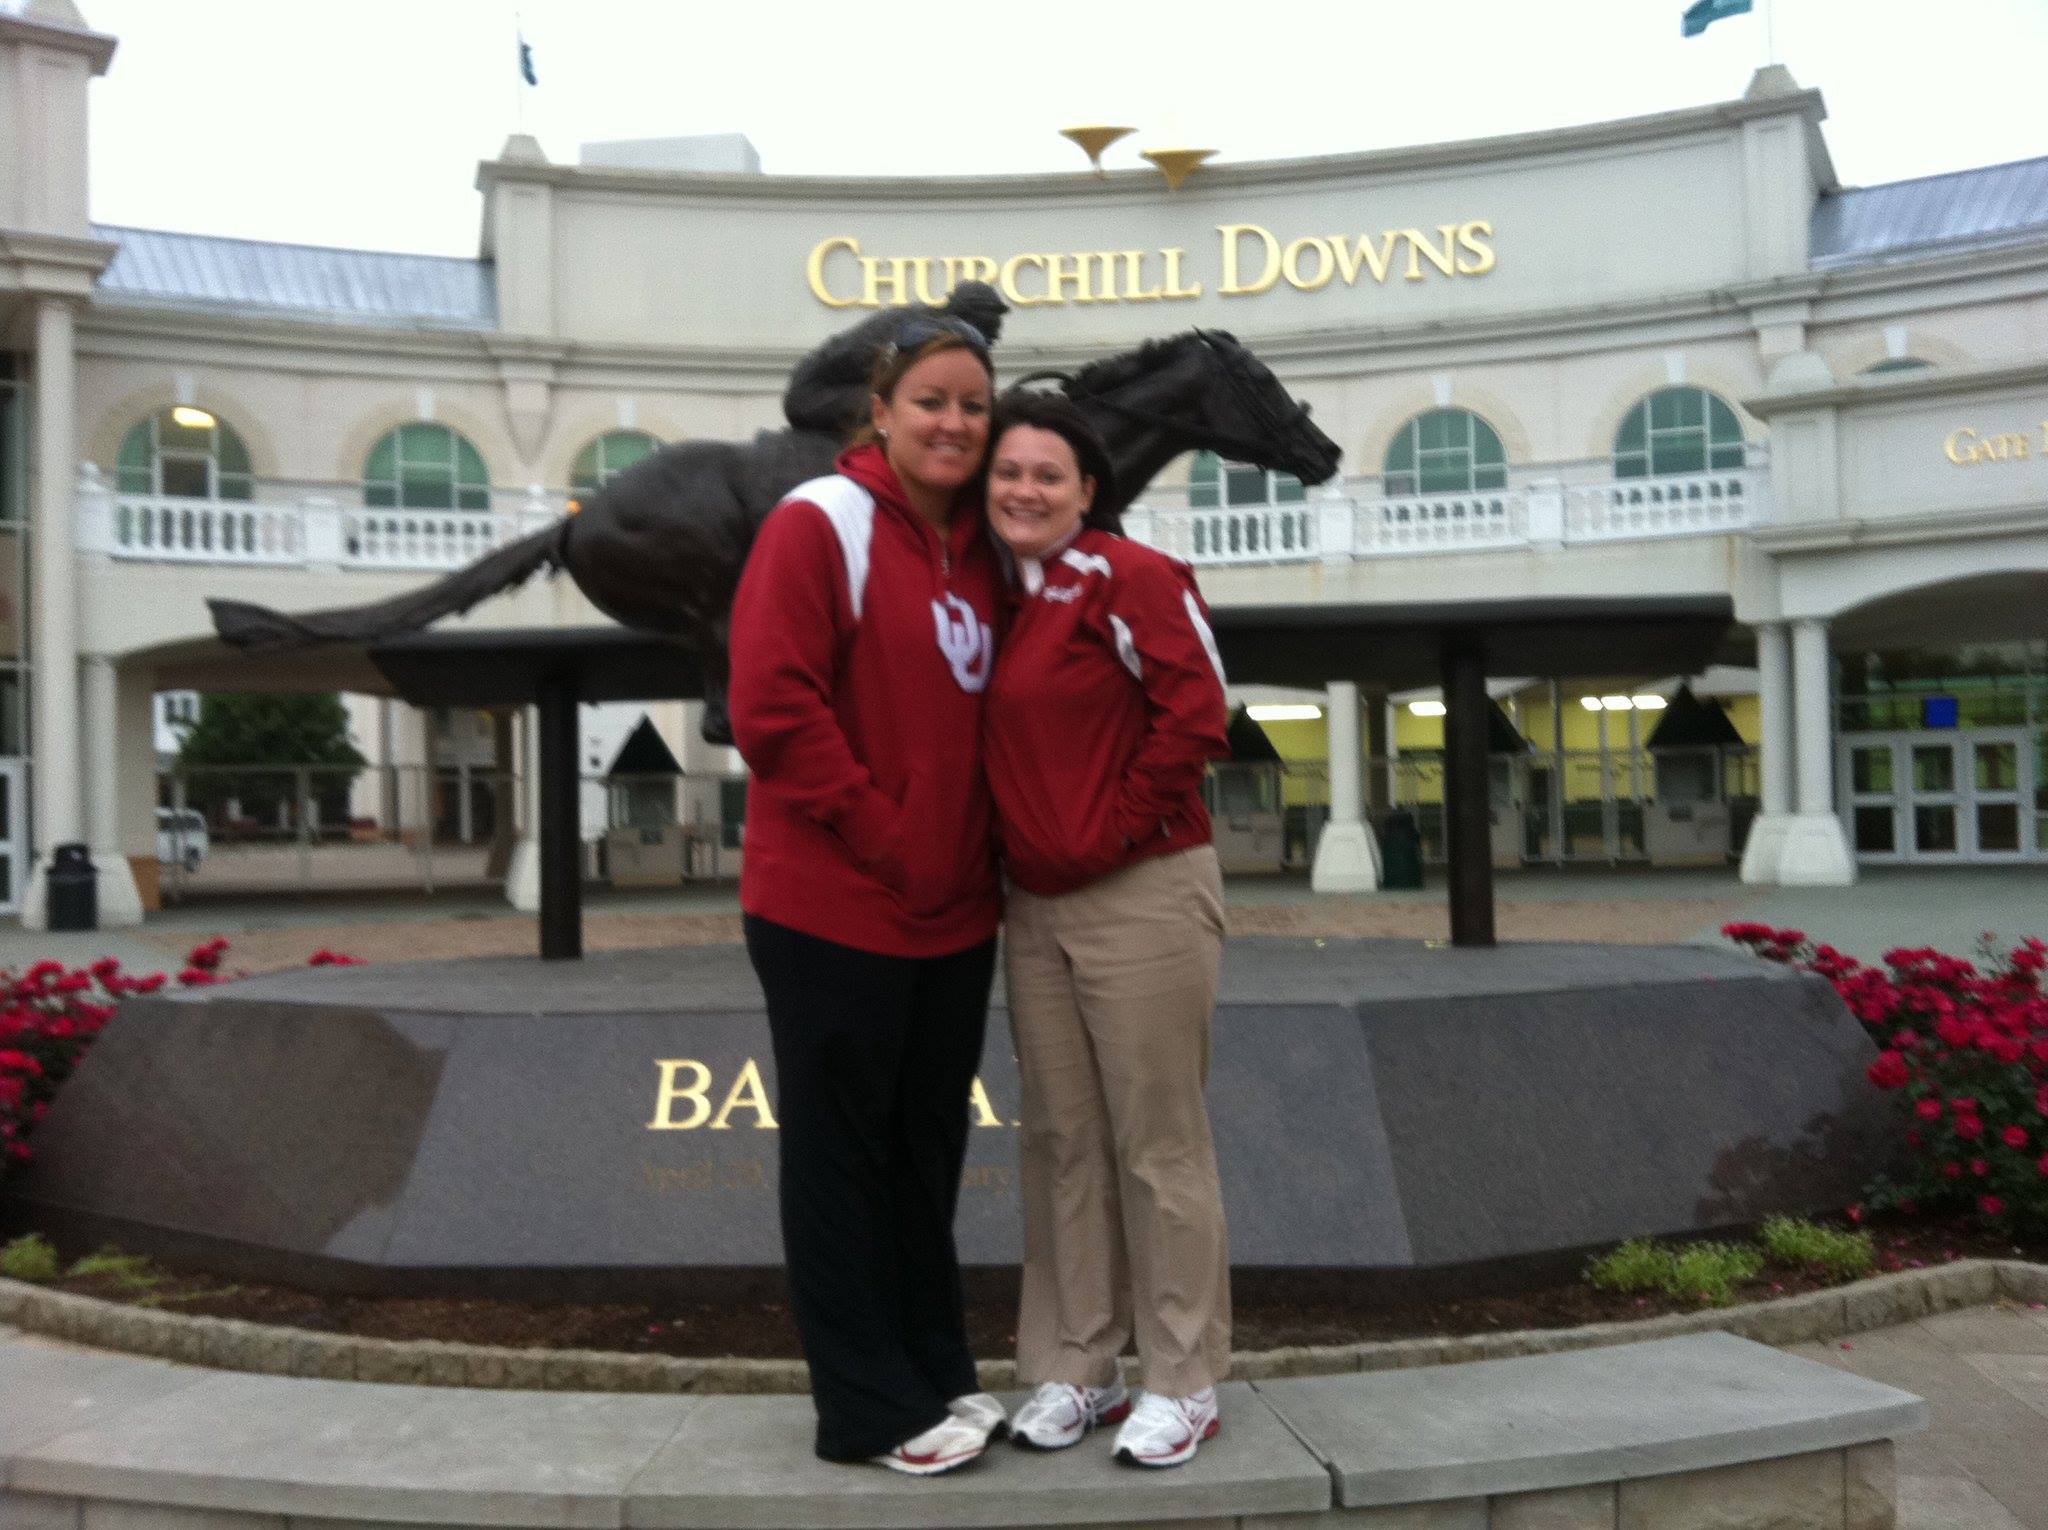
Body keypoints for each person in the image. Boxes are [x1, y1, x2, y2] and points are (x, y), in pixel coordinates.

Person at [728, 317, 1009, 1475]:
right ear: (881, 412)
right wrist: (886, 835)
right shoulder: (820, 522)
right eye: (930, 400)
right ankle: (863, 1410)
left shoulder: (985, 547)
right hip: (831, 905)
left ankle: (934, 1371)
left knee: (924, 1153)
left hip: (955, 913)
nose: (953, 422)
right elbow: (771, 709)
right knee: (841, 1157)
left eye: (973, 406)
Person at [979, 390, 1234, 1468]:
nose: (1023, 489)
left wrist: (1110, 829)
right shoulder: (997, 600)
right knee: (1061, 1141)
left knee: (1156, 1142)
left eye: (1048, 474)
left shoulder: (1131, 576)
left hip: (1143, 889)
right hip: (1034, 907)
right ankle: (1078, 1365)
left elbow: (1197, 713)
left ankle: (1184, 1377)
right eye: (1008, 471)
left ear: (1087, 490)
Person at [782, 282, 1010, 439]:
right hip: (812, 395)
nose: (996, 336)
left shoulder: (931, 328)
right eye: (990, 330)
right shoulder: (918, 332)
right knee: (905, 406)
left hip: (833, 388)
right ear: (969, 319)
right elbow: (880, 376)